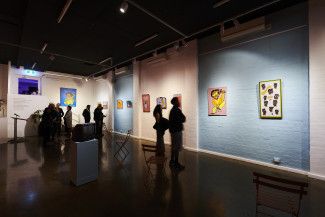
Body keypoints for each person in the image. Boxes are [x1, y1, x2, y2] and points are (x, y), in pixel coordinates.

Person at [169, 97, 186, 170]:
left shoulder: (172, 110)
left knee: (174, 147)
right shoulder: (177, 110)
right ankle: (176, 163)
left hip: (173, 131)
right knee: (176, 147)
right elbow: (184, 118)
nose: (179, 102)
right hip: (177, 131)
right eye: (178, 101)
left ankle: (172, 161)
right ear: (176, 102)